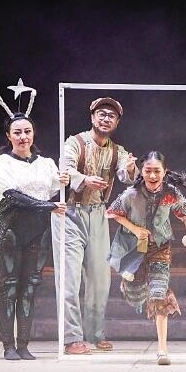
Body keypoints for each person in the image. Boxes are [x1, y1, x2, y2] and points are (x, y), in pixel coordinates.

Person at [0, 78, 69, 361]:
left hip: (37, 231)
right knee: (9, 287)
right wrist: (48, 205)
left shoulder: (46, 164)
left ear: (34, 134)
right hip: (8, 228)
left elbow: (54, 191)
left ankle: (23, 344)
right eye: (17, 132)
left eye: (27, 131)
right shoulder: (1, 164)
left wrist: (63, 181)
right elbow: (13, 196)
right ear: (9, 136)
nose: (23, 137)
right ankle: (8, 345)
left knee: (29, 288)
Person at [51, 97, 139, 355]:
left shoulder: (118, 151)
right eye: (102, 114)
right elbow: (65, 169)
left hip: (98, 214)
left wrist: (131, 168)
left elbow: (126, 176)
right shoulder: (75, 142)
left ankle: (95, 333)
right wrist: (84, 179)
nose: (106, 119)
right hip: (70, 213)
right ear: (92, 117)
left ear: (117, 122)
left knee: (101, 279)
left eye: (111, 116)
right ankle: (71, 338)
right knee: (69, 278)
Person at [105, 150, 186, 365]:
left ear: (164, 172)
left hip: (160, 248)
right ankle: (130, 284)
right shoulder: (131, 194)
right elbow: (112, 213)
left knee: (158, 293)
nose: (152, 176)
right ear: (142, 171)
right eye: (148, 171)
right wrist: (135, 229)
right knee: (135, 294)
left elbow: (184, 211)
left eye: (157, 171)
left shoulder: (170, 193)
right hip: (134, 250)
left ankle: (162, 349)